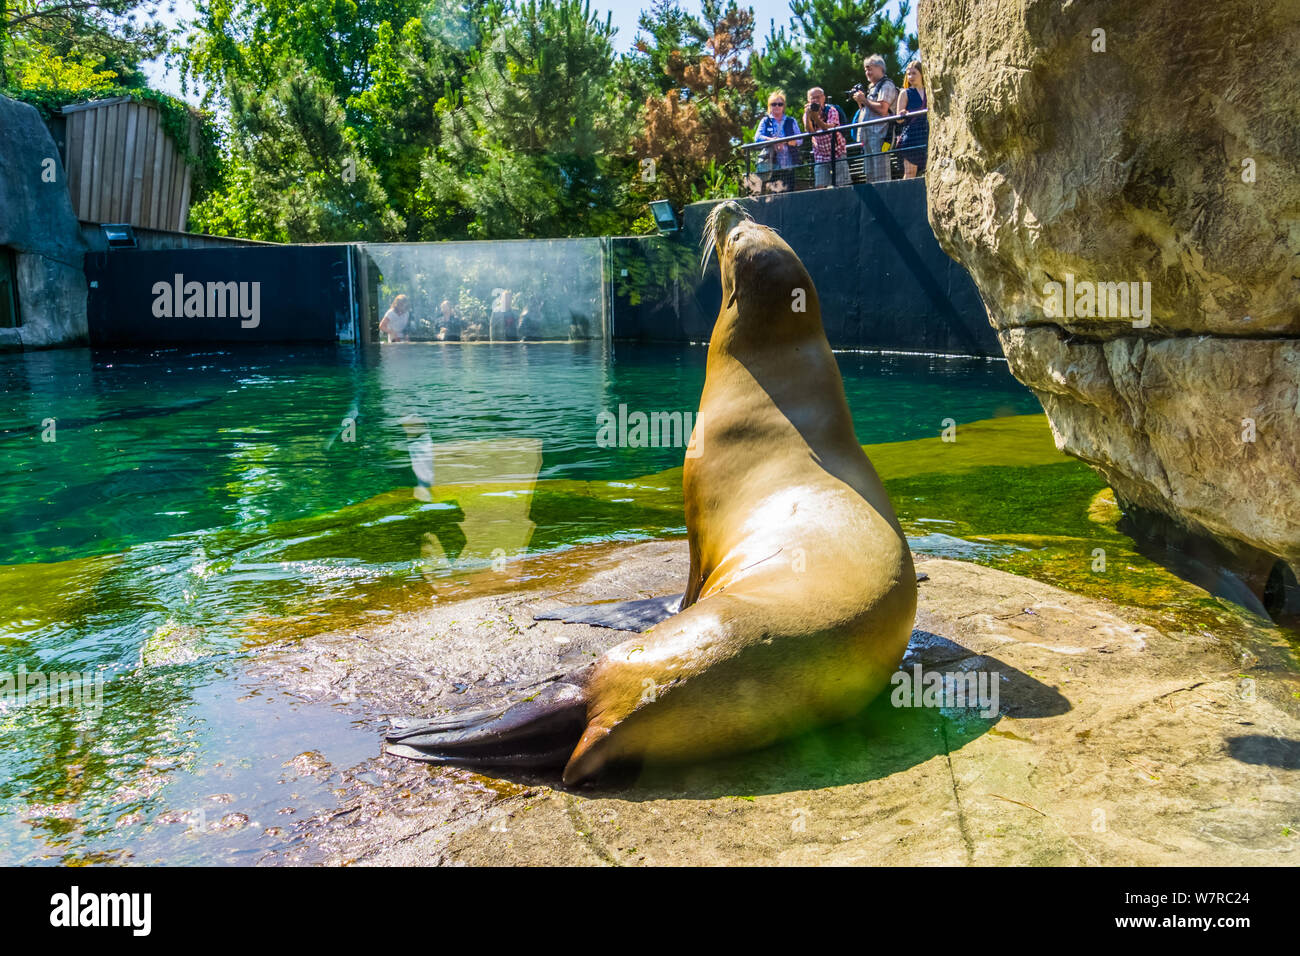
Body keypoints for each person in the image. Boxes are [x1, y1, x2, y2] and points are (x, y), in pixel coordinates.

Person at [851, 55, 898, 183]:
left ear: (880, 68)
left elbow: (883, 109)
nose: (867, 72)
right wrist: (860, 101)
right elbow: (866, 110)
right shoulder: (872, 87)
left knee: (881, 173)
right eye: (866, 70)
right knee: (870, 173)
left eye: (870, 69)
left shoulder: (886, 85)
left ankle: (885, 197)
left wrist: (864, 100)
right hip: (868, 135)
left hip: (880, 134)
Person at [753, 90, 801, 193]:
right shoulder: (766, 121)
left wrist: (786, 142)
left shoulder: (791, 121)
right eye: (774, 104)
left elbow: (800, 139)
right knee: (774, 196)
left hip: (789, 164)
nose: (777, 106)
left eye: (780, 104)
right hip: (772, 165)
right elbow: (757, 137)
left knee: (789, 194)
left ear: (783, 106)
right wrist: (772, 140)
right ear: (769, 106)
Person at [804, 87, 849, 188]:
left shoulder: (831, 110)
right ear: (808, 100)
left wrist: (816, 118)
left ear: (823, 98)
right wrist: (808, 115)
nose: (815, 100)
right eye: (812, 98)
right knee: (820, 186)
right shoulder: (808, 112)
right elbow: (809, 131)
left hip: (837, 152)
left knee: (842, 185)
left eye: (818, 97)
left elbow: (828, 128)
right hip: (820, 154)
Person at [895, 59, 929, 179]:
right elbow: (898, 120)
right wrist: (903, 114)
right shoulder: (905, 93)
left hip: (927, 135)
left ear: (921, 73)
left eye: (914, 73)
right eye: (908, 74)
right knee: (910, 172)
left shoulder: (928, 91)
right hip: (912, 137)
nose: (911, 76)